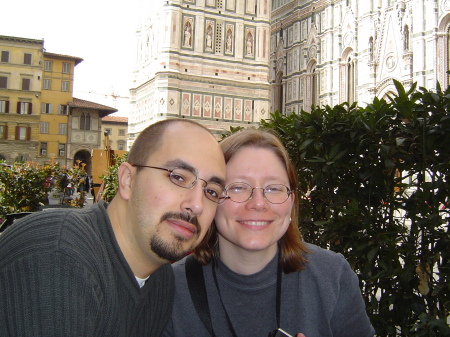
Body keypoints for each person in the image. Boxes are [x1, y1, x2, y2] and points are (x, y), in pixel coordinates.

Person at [0, 119, 227, 336]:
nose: (197, 205)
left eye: (212, 192)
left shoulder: (160, 282)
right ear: (127, 180)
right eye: (178, 177)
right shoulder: (57, 254)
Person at [163, 129, 375, 337]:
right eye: (238, 187)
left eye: (274, 188)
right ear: (212, 198)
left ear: (291, 202)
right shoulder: (168, 290)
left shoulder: (332, 276)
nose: (258, 204)